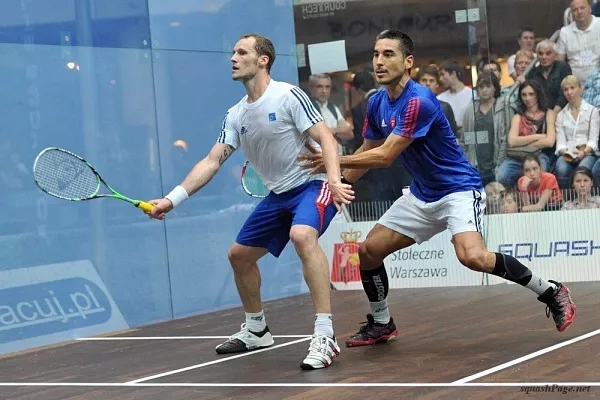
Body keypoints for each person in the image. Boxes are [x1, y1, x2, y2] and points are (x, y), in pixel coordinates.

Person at [299, 29, 577, 348]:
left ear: (408, 62)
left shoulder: (419, 101)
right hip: (422, 194)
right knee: (368, 251)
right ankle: (381, 322)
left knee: (473, 257)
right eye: (376, 54)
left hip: (458, 190)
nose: (379, 61)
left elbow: (387, 155)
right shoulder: (376, 104)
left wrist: (333, 157)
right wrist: (337, 184)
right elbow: (367, 152)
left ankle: (551, 291)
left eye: (388, 54)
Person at [146, 33, 354, 370]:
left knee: (302, 236)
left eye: (242, 52)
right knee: (239, 256)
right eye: (233, 52)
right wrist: (173, 199)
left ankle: (324, 333)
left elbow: (326, 137)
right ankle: (257, 329)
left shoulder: (288, 95)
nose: (233, 58)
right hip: (278, 195)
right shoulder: (236, 114)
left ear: (263, 60)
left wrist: (333, 178)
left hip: (312, 185)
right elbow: (212, 160)